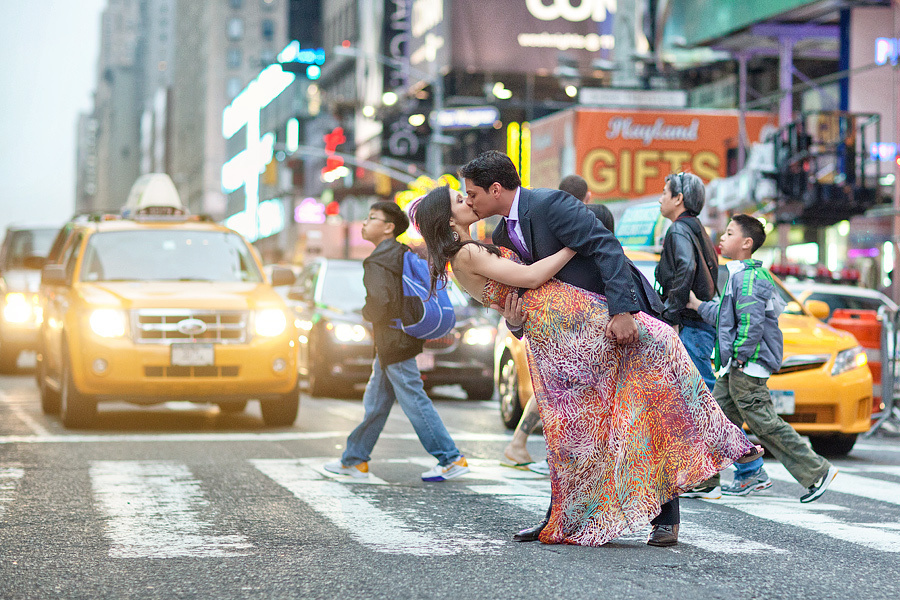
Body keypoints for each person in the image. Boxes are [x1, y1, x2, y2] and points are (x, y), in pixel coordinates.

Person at [412, 181, 760, 548]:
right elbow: (524, 283)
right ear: (447, 219)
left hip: (587, 322)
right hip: (565, 337)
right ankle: (566, 517)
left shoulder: (528, 217)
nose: (467, 200)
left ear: (495, 189)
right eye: (459, 199)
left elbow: (593, 251)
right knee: (576, 432)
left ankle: (696, 471)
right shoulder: (472, 249)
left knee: (631, 401)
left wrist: (614, 305)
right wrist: (564, 254)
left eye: (468, 193)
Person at [686, 214, 839, 503]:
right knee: (717, 419)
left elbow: (750, 324)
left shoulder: (748, 279)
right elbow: (727, 316)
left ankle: (817, 471)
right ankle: (706, 480)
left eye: (729, 233)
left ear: (746, 243)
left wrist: (740, 357)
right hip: (737, 367)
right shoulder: (742, 275)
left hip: (746, 366)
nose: (722, 237)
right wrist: (697, 306)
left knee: (765, 425)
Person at [324, 201, 470, 483]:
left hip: (393, 340)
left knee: (413, 398)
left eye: (371, 218)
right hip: (401, 337)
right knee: (376, 402)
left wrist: (365, 313)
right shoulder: (402, 252)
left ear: (388, 228)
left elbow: (380, 303)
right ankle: (354, 460)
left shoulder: (378, 259)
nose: (365, 223)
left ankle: (450, 458)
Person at [502, 174, 614, 473]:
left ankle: (544, 452)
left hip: (566, 335)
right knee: (562, 395)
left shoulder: (535, 228)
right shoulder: (574, 228)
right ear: (587, 198)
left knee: (558, 393)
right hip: (569, 335)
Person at [656, 172, 719, 394]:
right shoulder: (697, 228)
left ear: (678, 199)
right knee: (695, 394)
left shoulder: (678, 229)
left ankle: (724, 431)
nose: (660, 199)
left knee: (699, 396)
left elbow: (686, 267)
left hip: (688, 326)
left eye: (664, 193)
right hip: (698, 325)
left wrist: (671, 315)